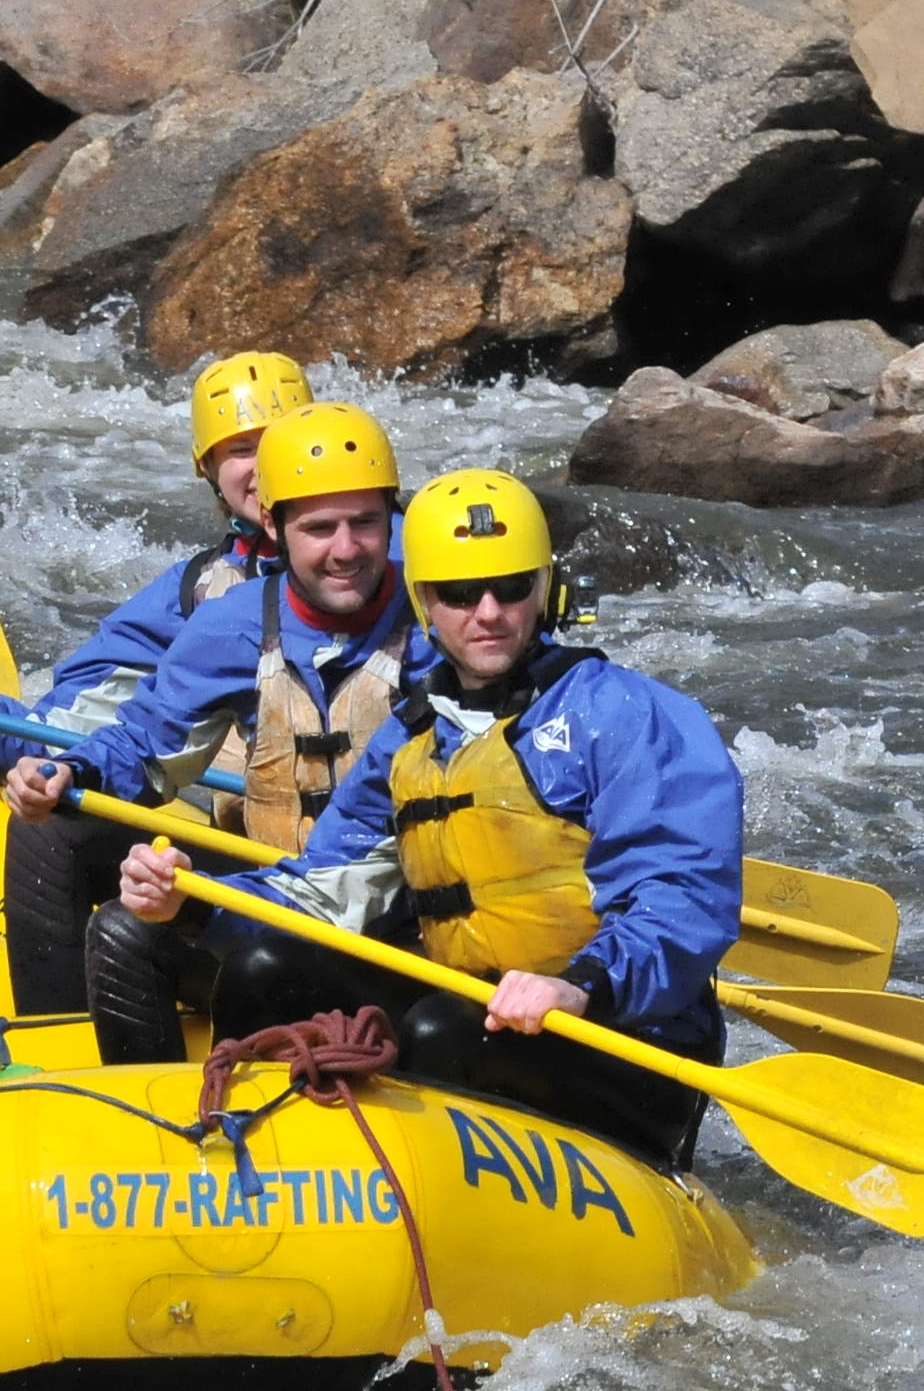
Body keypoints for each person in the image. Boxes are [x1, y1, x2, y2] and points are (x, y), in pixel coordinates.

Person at [89, 470, 741, 1167]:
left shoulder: (625, 714)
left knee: (437, 1032)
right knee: (264, 967)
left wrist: (579, 984)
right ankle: (245, 1161)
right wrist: (194, 901)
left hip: (622, 1031)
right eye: (460, 594)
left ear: (544, 590)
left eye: (511, 587)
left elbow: (682, 897)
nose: (487, 612)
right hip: (479, 1002)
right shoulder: (415, 738)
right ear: (426, 603)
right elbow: (325, 885)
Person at [0, 353, 314, 1015]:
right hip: (266, 863)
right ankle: (51, 1055)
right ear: (206, 469)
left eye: (277, 443)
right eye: (239, 450)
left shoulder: (431, 574)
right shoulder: (204, 595)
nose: (260, 468)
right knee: (51, 831)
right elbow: (72, 728)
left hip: (366, 877)